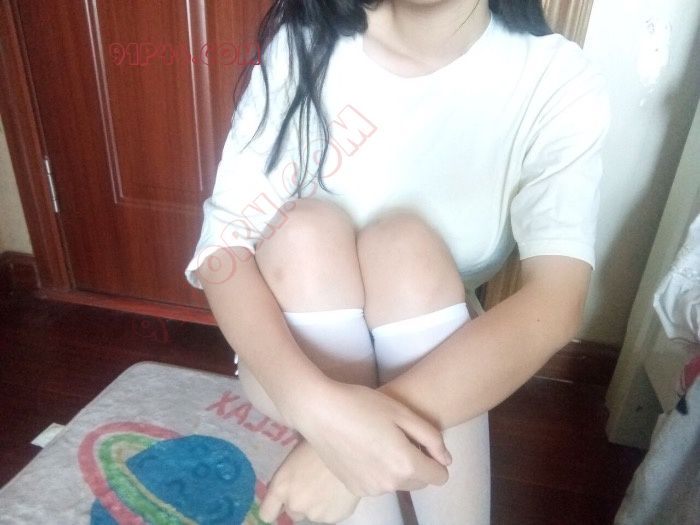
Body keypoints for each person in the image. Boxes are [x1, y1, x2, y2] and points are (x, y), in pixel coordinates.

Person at [183, 0, 611, 523]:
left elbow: (557, 299)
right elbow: (222, 246)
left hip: (430, 337)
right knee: (301, 230)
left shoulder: (554, 78)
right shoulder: (307, 44)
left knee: (402, 249)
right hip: (299, 353)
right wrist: (320, 411)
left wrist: (341, 451)